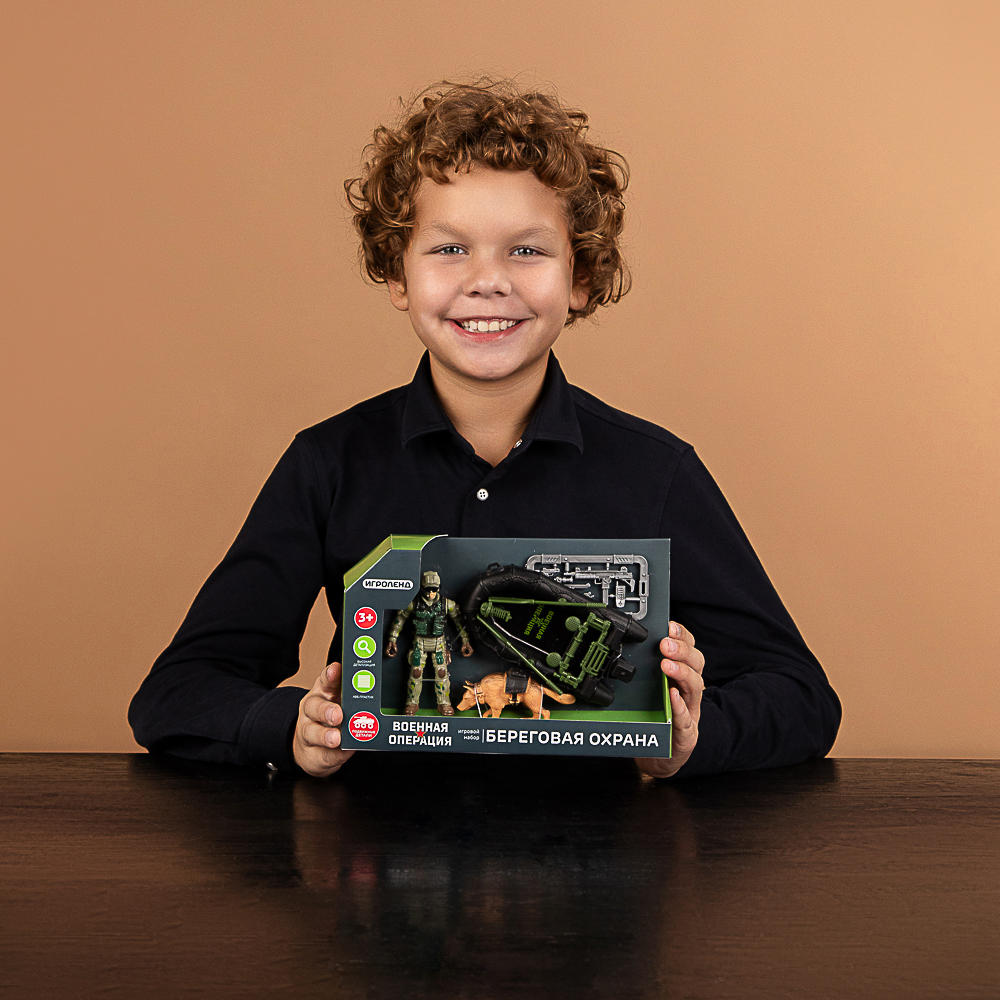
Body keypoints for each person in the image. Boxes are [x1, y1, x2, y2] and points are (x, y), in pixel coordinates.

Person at [129, 79, 841, 781]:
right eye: (449, 249)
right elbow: (178, 692)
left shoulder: (658, 472)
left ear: (581, 278)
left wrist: (691, 738)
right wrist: (292, 728)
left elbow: (802, 698)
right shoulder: (330, 463)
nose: (487, 280)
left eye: (526, 251)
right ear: (397, 276)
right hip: (373, 846)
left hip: (603, 848)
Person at [386, 570, 474, 716]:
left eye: (434, 589)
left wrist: (465, 641)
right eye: (428, 589)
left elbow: (459, 622)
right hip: (419, 642)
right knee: (415, 673)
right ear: (422, 588)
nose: (431, 593)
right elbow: (399, 620)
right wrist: (392, 639)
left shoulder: (447, 604)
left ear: (439, 588)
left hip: (439, 643)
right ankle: (412, 703)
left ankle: (444, 703)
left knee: (442, 673)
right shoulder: (413, 604)